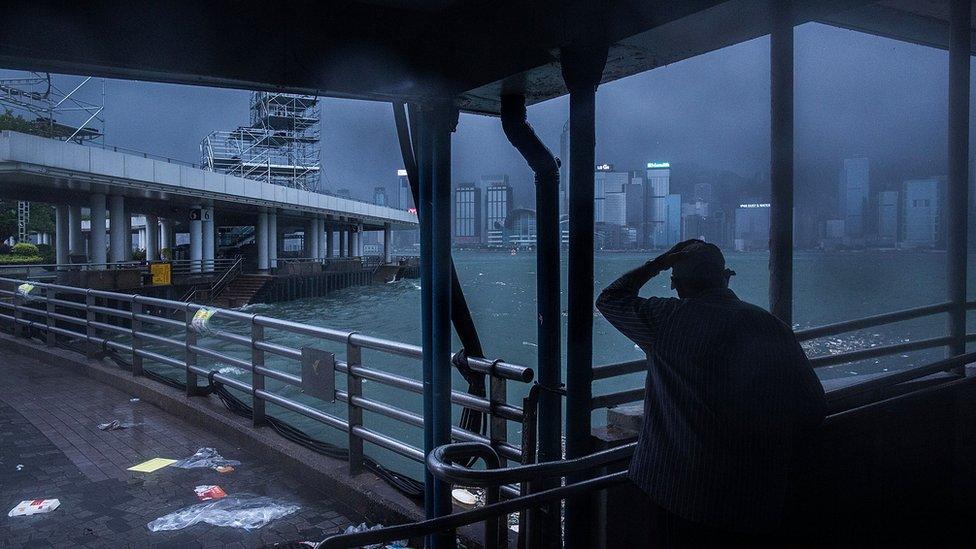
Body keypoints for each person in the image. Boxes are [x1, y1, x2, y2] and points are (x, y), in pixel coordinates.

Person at [595, 239, 826, 547]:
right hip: (756, 501)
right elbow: (813, 406)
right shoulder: (771, 326)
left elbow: (610, 299)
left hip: (680, 496)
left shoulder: (666, 320)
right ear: (725, 278)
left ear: (676, 284)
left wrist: (656, 264)